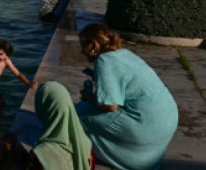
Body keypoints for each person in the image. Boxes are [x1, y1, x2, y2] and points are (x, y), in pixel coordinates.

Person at [74, 24, 178, 170]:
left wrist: (89, 96)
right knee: (85, 111)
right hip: (166, 118)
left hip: (146, 125)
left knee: (75, 116)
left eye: (82, 45)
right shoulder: (123, 53)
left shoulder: (104, 61)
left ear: (93, 44)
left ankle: (91, 153)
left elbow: (110, 106)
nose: (82, 51)